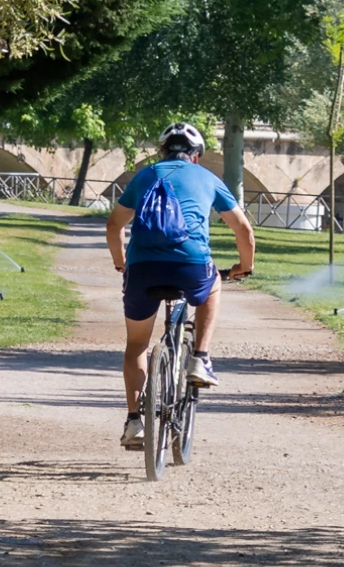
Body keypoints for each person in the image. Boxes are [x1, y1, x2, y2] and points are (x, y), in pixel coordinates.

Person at [105, 123, 256, 447]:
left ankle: (134, 422)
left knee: (137, 345)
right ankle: (200, 357)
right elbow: (243, 229)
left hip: (142, 268)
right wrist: (245, 266)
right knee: (213, 282)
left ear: (162, 152)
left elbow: (115, 224)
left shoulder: (146, 175)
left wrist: (121, 262)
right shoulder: (207, 178)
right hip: (191, 265)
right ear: (197, 157)